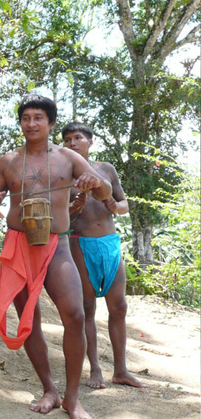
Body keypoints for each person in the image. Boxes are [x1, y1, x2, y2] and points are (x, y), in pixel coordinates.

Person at [0, 95, 112, 419]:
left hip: (58, 245)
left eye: (39, 117)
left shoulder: (68, 158)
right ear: (21, 123)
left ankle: (73, 398)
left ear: (51, 123)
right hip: (17, 245)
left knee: (75, 314)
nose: (32, 123)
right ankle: (50, 390)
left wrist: (95, 181)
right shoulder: (8, 161)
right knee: (28, 318)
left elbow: (106, 191)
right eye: (26, 118)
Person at [62, 122, 147, 389]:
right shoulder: (63, 175)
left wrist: (114, 205)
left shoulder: (105, 169)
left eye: (78, 138)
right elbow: (60, 217)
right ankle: (95, 370)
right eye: (67, 140)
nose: (72, 143)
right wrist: (74, 207)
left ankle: (121, 370)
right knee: (88, 308)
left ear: (90, 142)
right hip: (79, 243)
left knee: (119, 307)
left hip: (110, 244)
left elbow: (124, 204)